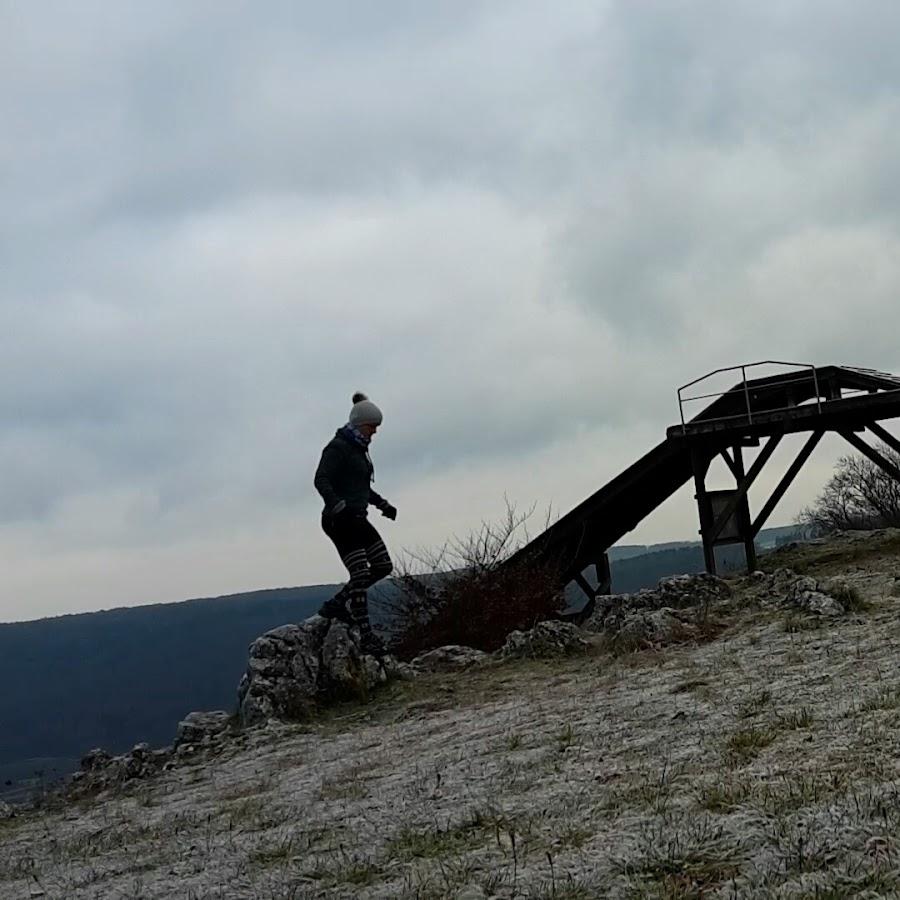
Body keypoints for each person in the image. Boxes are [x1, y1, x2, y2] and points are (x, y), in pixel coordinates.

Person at [314, 392, 396, 655]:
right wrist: (336, 504)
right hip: (339, 520)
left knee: (383, 565)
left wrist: (382, 503)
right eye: (372, 426)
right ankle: (366, 634)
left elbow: (361, 487)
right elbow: (321, 479)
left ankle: (337, 603)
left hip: (358, 517)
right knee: (360, 574)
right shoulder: (338, 448)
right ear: (360, 424)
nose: (375, 432)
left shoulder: (359, 450)